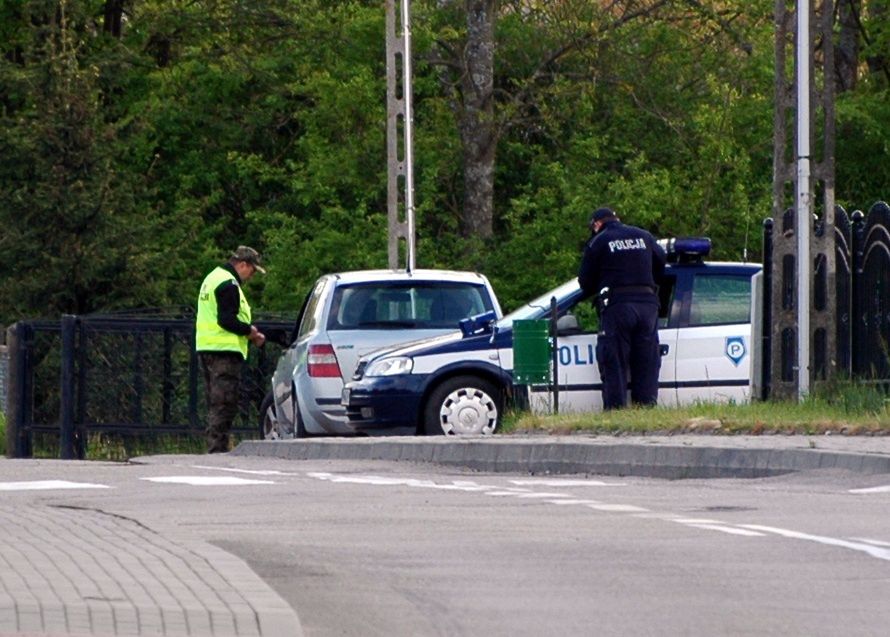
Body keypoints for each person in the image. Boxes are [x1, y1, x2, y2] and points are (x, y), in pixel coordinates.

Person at [578, 207, 666, 410]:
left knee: (614, 361)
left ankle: (616, 411)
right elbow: (661, 265)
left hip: (618, 307)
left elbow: (585, 282)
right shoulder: (644, 235)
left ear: (597, 224)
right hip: (648, 306)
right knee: (646, 361)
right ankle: (645, 409)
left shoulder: (599, 241)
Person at [195, 246, 267, 452]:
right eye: (252, 271)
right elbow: (227, 319)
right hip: (224, 351)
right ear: (243, 264)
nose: (251, 276)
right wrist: (250, 332)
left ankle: (216, 447)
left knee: (215, 402)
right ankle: (217, 450)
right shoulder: (228, 283)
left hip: (208, 347)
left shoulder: (212, 278)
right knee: (224, 403)